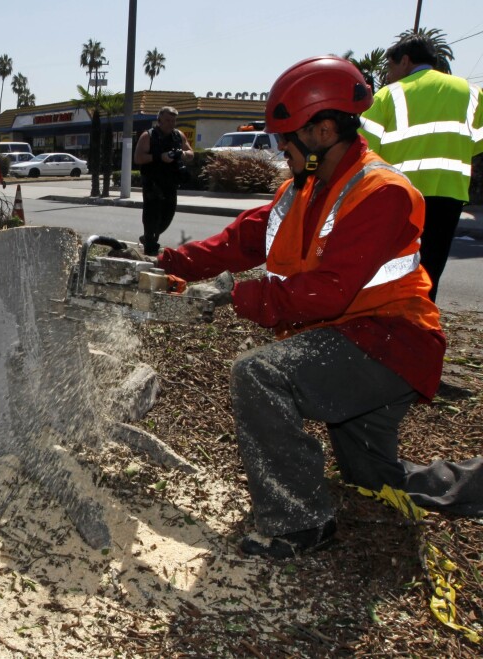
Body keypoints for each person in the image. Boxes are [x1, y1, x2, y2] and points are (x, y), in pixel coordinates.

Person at [134, 56, 483, 559]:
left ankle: (298, 522)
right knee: (374, 478)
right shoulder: (302, 187)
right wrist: (164, 262)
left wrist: (237, 296)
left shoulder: (381, 192)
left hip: (391, 343)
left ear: (322, 130)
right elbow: (240, 242)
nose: (280, 151)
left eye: (285, 140)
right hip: (353, 342)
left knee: (258, 374)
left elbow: (328, 292)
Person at [360, 34, 483, 301]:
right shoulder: (471, 92)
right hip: (450, 194)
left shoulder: (389, 95)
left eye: (390, 67)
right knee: (431, 268)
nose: (389, 74)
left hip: (401, 195)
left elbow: (364, 148)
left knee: (394, 267)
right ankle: (421, 325)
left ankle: (392, 323)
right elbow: (478, 142)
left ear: (405, 61)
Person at [133, 106, 193, 256]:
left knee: (168, 214)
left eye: (173, 120)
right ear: (159, 120)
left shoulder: (178, 135)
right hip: (152, 180)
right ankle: (150, 244)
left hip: (171, 181)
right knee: (152, 213)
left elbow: (191, 152)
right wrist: (160, 156)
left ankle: (149, 237)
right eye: (167, 120)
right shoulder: (148, 136)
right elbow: (138, 158)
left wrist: (183, 154)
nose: (171, 123)